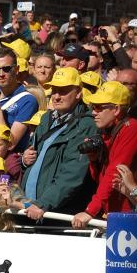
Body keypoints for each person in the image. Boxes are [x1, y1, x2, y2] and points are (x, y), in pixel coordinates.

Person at [21, 67, 97, 219]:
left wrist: (44, 203)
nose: (56, 96)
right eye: (54, 90)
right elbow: (35, 156)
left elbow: (73, 173)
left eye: (63, 91)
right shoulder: (46, 118)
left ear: (78, 93)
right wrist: (24, 160)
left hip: (54, 213)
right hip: (30, 207)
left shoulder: (86, 125)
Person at [71, 81, 137, 228]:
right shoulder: (106, 131)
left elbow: (114, 171)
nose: (93, 112)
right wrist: (93, 159)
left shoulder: (132, 128)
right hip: (113, 211)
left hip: (131, 213)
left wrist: (90, 211)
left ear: (116, 109)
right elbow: (99, 177)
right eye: (93, 107)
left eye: (99, 107)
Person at [0, 47, 39, 152]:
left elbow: (10, 143)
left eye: (6, 69)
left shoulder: (28, 100)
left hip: (9, 164)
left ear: (16, 70)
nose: (1, 74)